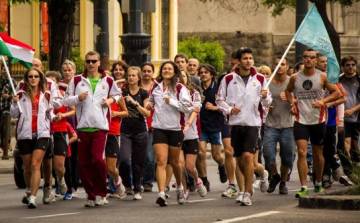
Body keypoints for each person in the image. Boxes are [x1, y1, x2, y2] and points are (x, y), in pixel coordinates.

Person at [64, 51, 122, 207]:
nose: (90, 63)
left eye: (93, 61)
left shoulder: (108, 80)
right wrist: (78, 98)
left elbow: (118, 95)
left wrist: (110, 100)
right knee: (84, 163)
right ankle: (90, 195)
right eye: (88, 61)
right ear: (85, 63)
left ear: (98, 63)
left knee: (97, 160)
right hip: (83, 127)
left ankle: (101, 193)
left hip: (100, 127)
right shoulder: (77, 80)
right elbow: (66, 99)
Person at [216, 47, 272, 206]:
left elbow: (268, 102)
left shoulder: (260, 79)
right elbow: (219, 99)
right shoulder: (228, 79)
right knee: (240, 160)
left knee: (248, 157)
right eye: (245, 58)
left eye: (250, 58)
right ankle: (249, 184)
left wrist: (265, 96)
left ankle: (247, 192)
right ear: (239, 62)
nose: (248, 61)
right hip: (235, 124)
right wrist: (228, 109)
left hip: (253, 123)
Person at [285, 48, 341, 198]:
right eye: (305, 57)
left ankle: (318, 182)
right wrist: (292, 104)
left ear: (315, 61)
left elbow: (337, 93)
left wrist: (323, 101)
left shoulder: (322, 76)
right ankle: (303, 186)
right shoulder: (295, 77)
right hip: (300, 119)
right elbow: (288, 91)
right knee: (302, 152)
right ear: (302, 59)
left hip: (318, 119)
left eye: (311, 57)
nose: (308, 59)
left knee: (317, 153)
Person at [146, 61, 193, 206]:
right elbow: (152, 100)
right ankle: (161, 192)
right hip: (159, 128)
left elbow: (188, 107)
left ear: (174, 72)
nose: (167, 71)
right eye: (164, 68)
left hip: (174, 129)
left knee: (175, 163)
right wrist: (150, 104)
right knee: (160, 160)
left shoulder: (180, 88)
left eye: (170, 69)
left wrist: (172, 101)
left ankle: (179, 187)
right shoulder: (156, 86)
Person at [11, 68, 55, 208]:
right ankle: (29, 189)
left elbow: (50, 112)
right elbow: (13, 114)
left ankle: (32, 197)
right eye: (30, 76)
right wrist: (14, 102)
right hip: (25, 134)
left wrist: (55, 118)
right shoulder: (20, 94)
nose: (33, 79)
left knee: (36, 165)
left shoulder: (46, 95)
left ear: (40, 78)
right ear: (26, 79)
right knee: (28, 167)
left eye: (36, 76)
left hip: (42, 134)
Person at [263, 57, 295, 195]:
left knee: (287, 157)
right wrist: (265, 106)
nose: (279, 67)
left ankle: (282, 182)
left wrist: (291, 99)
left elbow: (300, 101)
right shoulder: (267, 82)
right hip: (271, 124)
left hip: (288, 125)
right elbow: (259, 101)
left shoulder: (292, 82)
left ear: (287, 67)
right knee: (268, 154)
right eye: (277, 64)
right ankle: (275, 176)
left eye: (282, 64)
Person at [119, 66, 150, 200]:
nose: (131, 77)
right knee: (124, 159)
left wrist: (135, 103)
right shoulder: (122, 92)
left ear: (139, 78)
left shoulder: (143, 93)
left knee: (138, 162)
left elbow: (147, 113)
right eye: (129, 75)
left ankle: (137, 188)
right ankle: (127, 185)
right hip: (125, 130)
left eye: (133, 75)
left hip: (140, 131)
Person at [197, 64, 227, 192]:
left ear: (211, 75)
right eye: (201, 72)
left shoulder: (218, 89)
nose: (203, 74)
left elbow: (227, 106)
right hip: (201, 126)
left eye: (206, 72)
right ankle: (204, 179)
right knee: (200, 153)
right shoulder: (198, 89)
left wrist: (215, 107)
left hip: (215, 125)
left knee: (216, 156)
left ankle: (222, 165)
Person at [46, 71, 76, 199]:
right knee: (48, 164)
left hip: (61, 131)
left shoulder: (63, 95)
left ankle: (62, 181)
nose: (50, 85)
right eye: (49, 82)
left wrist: (63, 115)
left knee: (60, 166)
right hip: (46, 131)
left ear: (58, 83)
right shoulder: (43, 96)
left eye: (53, 82)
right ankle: (51, 188)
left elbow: (73, 111)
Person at [179, 70, 207, 200]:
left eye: (183, 76)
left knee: (190, 167)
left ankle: (198, 180)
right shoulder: (171, 93)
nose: (180, 78)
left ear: (187, 79)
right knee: (180, 165)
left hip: (190, 134)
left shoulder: (194, 93)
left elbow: (195, 110)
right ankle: (184, 191)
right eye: (178, 76)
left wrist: (188, 124)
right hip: (176, 134)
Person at [59, 59, 80, 197]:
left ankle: (74, 186)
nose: (67, 73)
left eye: (69, 70)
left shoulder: (78, 84)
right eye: (65, 70)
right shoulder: (58, 86)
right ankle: (64, 185)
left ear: (74, 71)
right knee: (63, 157)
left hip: (76, 122)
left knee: (75, 157)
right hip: (62, 122)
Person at [339, 55, 360, 183]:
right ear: (343, 66)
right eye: (348, 65)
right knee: (345, 144)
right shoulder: (339, 80)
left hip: (357, 117)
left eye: (353, 65)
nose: (350, 67)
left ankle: (356, 165)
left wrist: (352, 110)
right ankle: (349, 170)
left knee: (356, 146)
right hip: (343, 118)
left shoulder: (359, 80)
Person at [141, 62, 156, 192]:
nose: (146, 73)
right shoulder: (135, 86)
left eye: (149, 71)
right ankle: (137, 180)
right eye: (144, 71)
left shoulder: (157, 87)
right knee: (139, 155)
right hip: (139, 125)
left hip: (153, 125)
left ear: (152, 73)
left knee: (150, 157)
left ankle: (148, 182)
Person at [0, 63, 17, 151]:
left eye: (6, 69)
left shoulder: (12, 81)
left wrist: (9, 96)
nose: (4, 70)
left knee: (6, 125)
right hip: (0, 104)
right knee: (0, 125)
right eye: (3, 69)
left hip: (7, 106)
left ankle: (6, 145)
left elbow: (16, 94)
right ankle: (2, 145)